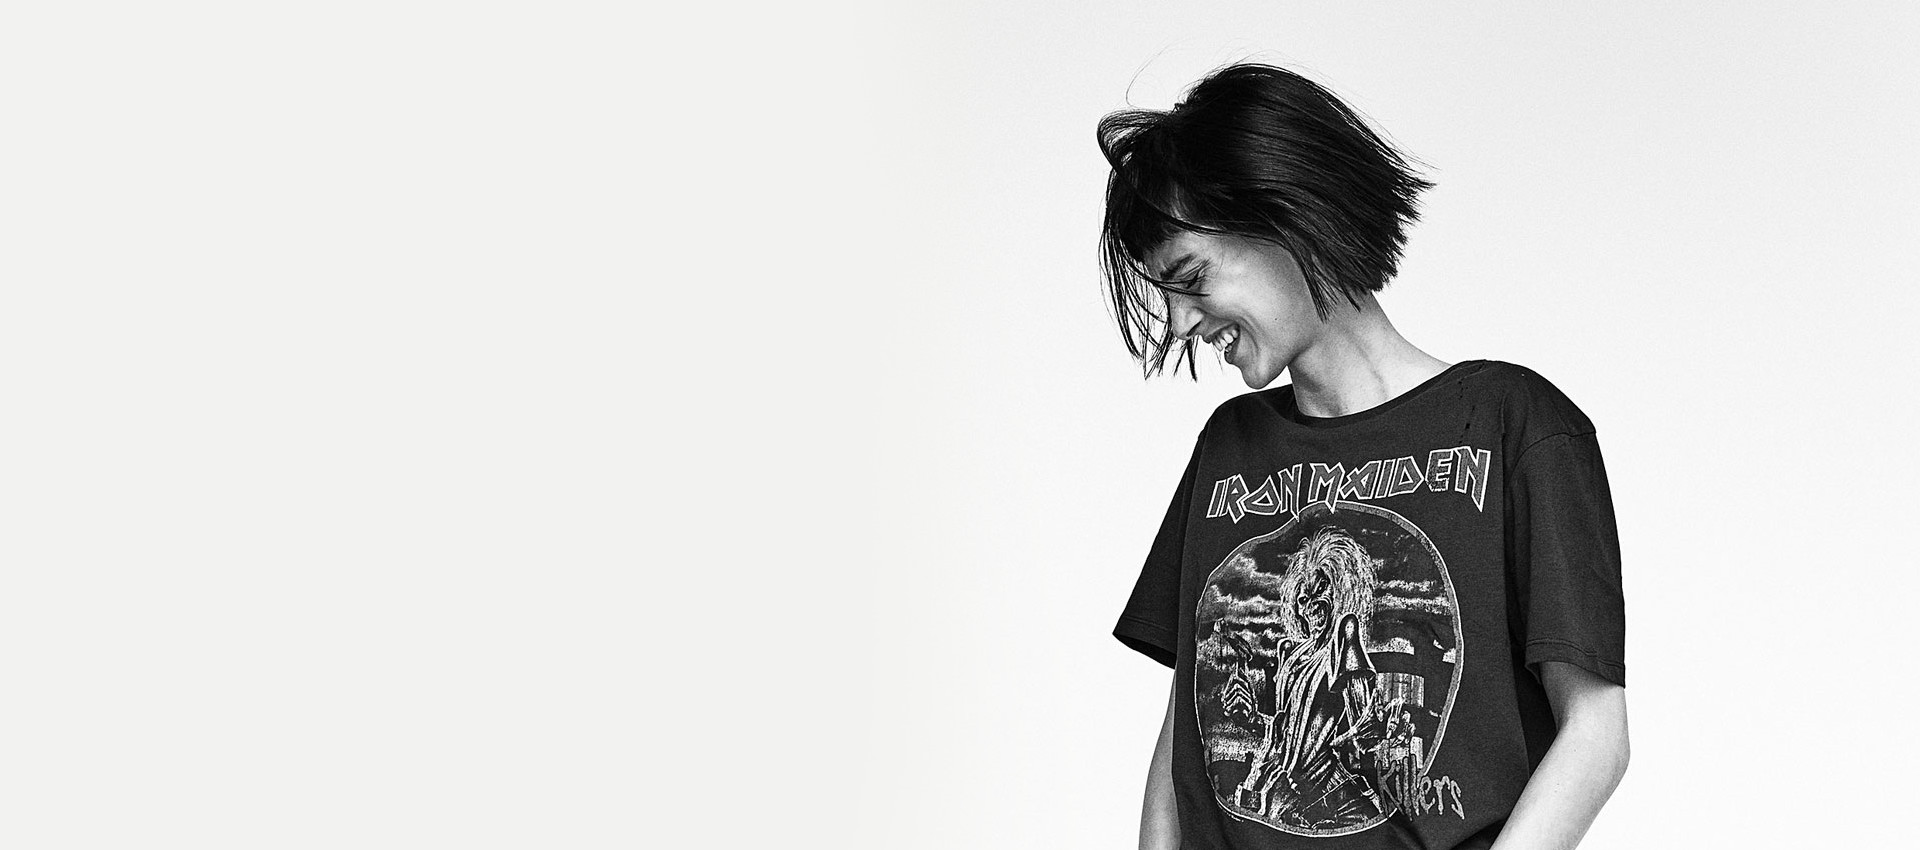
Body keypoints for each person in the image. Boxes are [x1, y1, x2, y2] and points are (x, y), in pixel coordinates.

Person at [1100, 63, 1629, 850]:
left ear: (1288, 218)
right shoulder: (1228, 449)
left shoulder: (1514, 425)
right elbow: (1185, 735)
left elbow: (1596, 733)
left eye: (1192, 277)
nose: (1177, 324)